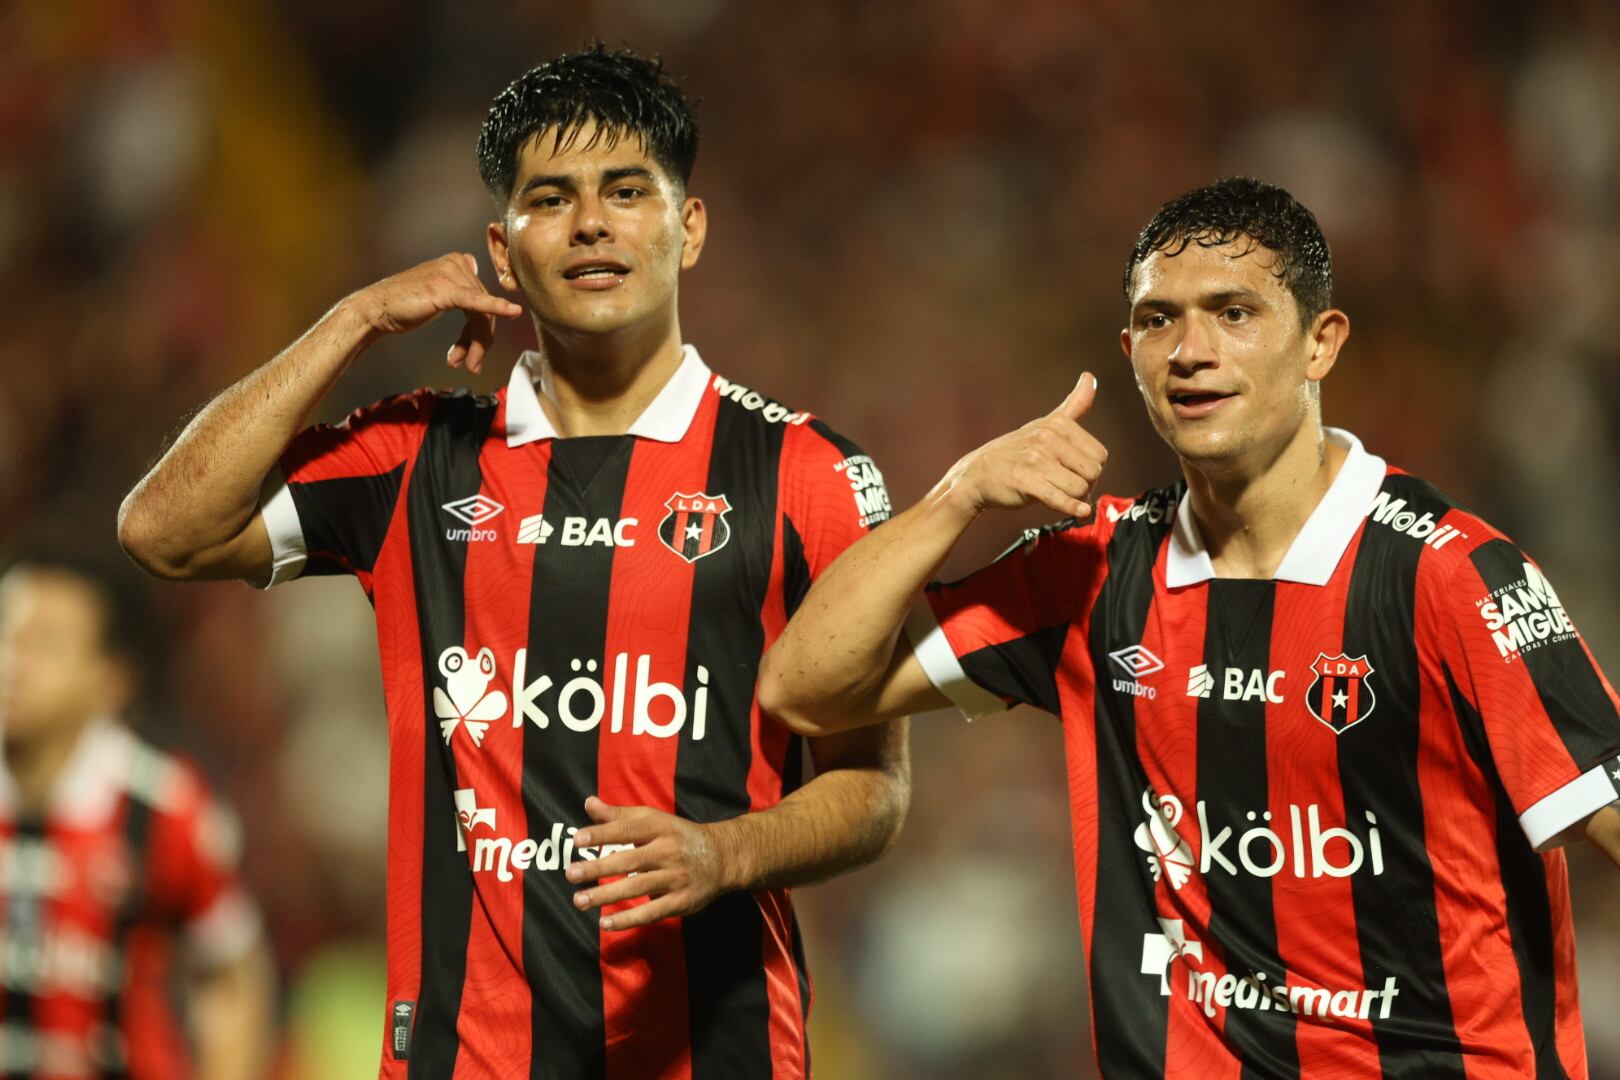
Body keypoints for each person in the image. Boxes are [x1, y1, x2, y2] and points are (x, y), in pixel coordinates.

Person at [117, 45, 908, 1078]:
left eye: (628, 191)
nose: (591, 223)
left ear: (691, 226)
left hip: (716, 1052)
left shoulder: (809, 477)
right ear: (502, 244)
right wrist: (354, 320)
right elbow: (162, 529)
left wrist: (726, 853)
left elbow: (874, 792)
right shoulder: (417, 457)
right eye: (552, 197)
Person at [759, 177, 1620, 1077]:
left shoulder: (1446, 575)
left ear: (1320, 344)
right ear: (1129, 350)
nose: (1192, 351)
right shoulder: (1092, 572)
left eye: (1235, 312)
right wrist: (961, 491)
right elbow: (806, 688)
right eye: (1160, 320)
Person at [0, 547, 273, 1079]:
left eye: (45, 646)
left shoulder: (163, 807)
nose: (13, 665)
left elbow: (231, 972)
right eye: (6, 635)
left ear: (110, 682)